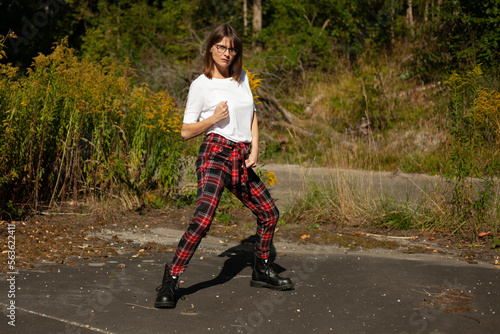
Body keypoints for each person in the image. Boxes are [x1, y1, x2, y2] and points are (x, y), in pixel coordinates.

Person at [154, 23, 294, 309]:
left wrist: (255, 148)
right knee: (203, 220)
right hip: (215, 154)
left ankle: (261, 269)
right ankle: (171, 278)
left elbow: (252, 115)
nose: (226, 53)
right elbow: (185, 131)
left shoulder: (241, 78)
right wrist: (214, 118)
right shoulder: (201, 84)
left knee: (269, 213)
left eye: (231, 48)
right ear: (211, 48)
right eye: (221, 47)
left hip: (240, 157)